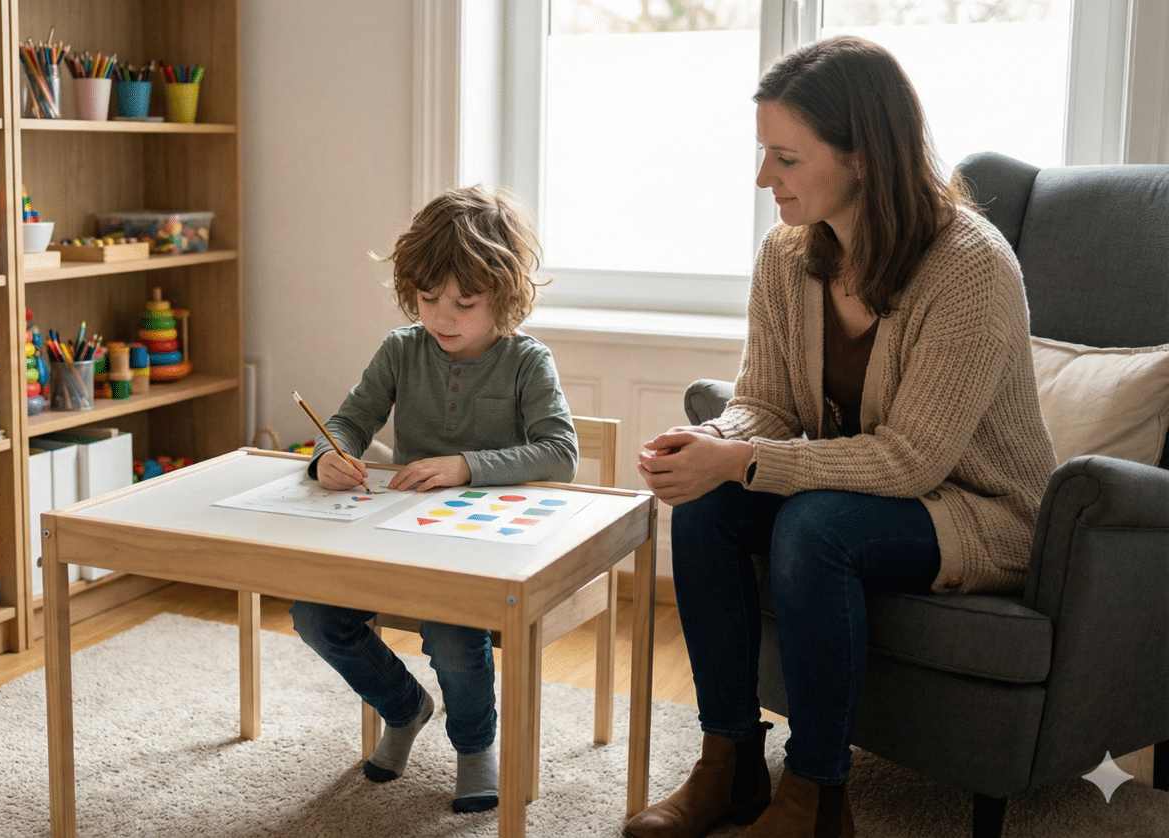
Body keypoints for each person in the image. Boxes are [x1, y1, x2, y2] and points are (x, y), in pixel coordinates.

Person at [623, 36, 1054, 838]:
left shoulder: (970, 267)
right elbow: (767, 403)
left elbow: (912, 458)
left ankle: (818, 794)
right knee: (710, 504)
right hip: (871, 496)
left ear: (863, 155)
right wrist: (712, 441)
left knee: (814, 525)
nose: (763, 180)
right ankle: (732, 763)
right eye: (763, 154)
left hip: (978, 512)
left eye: (785, 157)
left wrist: (746, 459)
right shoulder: (788, 256)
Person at [290, 185, 578, 814]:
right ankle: (404, 708)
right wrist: (329, 455)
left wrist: (467, 466)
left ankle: (475, 749)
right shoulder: (401, 349)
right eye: (428, 300)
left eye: (464, 303)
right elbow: (348, 421)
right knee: (313, 612)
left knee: (453, 633)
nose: (443, 318)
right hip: (394, 537)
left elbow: (561, 451)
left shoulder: (528, 361)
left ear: (504, 295)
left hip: (481, 548)